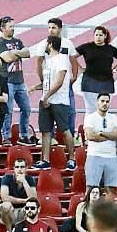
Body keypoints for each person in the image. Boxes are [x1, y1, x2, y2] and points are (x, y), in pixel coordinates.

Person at [32, 36, 76, 171]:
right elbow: (48, 82)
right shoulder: (47, 61)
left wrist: (47, 97)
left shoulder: (62, 59)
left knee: (64, 130)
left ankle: (72, 159)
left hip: (59, 101)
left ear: (50, 45)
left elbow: (59, 82)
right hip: (46, 100)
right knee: (45, 131)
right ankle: (45, 160)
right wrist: (36, 88)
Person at [0, 16, 35, 145]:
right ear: (2, 28)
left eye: (13, 26)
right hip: (7, 81)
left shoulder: (18, 41)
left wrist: (14, 52)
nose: (13, 29)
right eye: (10, 26)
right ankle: (6, 136)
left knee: (26, 108)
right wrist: (18, 52)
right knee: (8, 110)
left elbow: (28, 53)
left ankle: (24, 136)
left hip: (20, 81)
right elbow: (7, 58)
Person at [75, 26, 117, 114]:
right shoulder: (87, 47)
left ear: (105, 36)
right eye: (96, 35)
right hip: (89, 81)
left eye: (100, 35)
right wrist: (79, 68)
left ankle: (103, 127)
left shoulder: (110, 49)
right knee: (91, 109)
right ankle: (89, 127)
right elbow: (72, 56)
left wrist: (114, 69)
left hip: (107, 82)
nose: (98, 37)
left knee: (104, 109)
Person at [82, 93, 117, 190]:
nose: (105, 104)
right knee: (91, 188)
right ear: (97, 103)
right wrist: (110, 135)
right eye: (102, 101)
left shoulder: (114, 118)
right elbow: (90, 136)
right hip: (94, 156)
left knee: (111, 189)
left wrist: (101, 133)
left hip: (111, 157)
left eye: (107, 101)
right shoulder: (90, 118)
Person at [0, 158, 36, 231]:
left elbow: (33, 199)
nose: (19, 169)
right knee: (5, 206)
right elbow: (4, 198)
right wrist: (24, 201)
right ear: (14, 168)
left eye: (22, 167)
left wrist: (24, 182)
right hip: (9, 212)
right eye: (17, 167)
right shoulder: (6, 178)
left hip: (24, 211)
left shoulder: (30, 179)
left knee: (31, 207)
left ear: (26, 168)